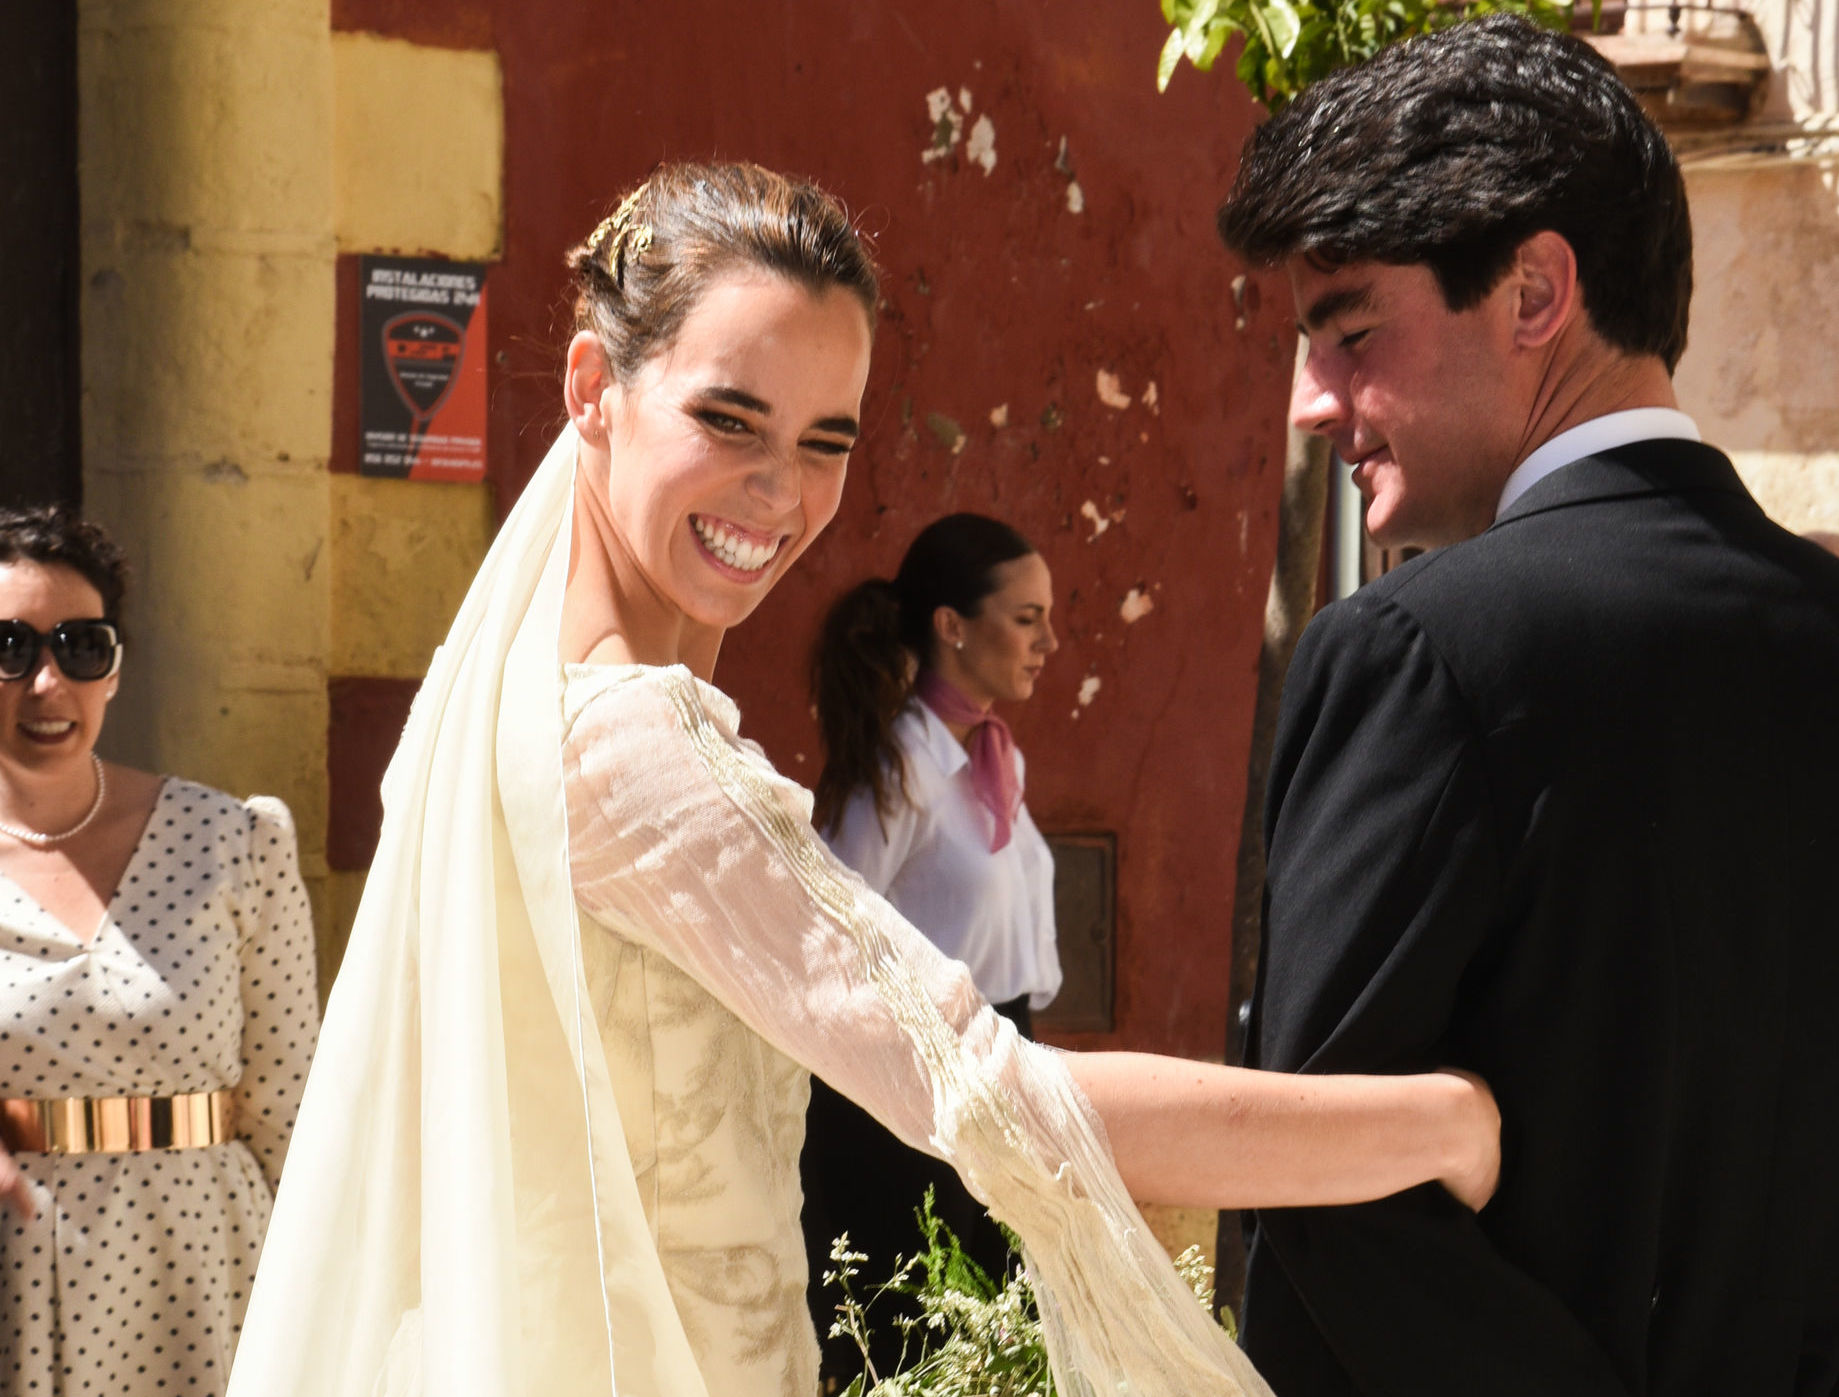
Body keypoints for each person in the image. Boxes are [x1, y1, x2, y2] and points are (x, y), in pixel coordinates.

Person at [227, 161, 1500, 1397]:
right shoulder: (630, 742)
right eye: (729, 419)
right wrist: (1440, 1124)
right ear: (592, 387)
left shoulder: (504, 694)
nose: (779, 491)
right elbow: (993, 1091)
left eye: (825, 439)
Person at [1215, 16, 1839, 1397]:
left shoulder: (1411, 653)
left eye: (1349, 330)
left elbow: (1320, 1182)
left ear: (1533, 292)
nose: (1309, 404)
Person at [0, 506, 319, 1396]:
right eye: (10, 648)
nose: (46, 682)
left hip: (208, 1276)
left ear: (114, 669)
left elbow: (293, 1112)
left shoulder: (235, 841)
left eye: (81, 647)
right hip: (16, 1281)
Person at [801, 514, 1062, 1383]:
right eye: (1026, 618)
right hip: (913, 1100)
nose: (1048, 642)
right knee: (915, 1345)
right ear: (952, 625)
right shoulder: (899, 771)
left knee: (997, 1341)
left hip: (998, 1068)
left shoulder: (992, 762)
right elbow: (826, 936)